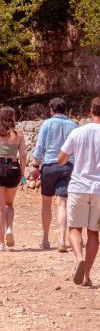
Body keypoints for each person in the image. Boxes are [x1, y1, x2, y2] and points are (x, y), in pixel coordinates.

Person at [58, 95, 100, 286]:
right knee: (93, 232)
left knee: (74, 228)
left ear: (90, 111)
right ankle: (87, 276)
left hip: (78, 186)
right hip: (99, 188)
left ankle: (79, 259)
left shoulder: (78, 132)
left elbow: (61, 158)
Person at [31, 97, 79, 252]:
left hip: (50, 166)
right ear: (65, 110)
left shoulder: (47, 124)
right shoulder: (74, 125)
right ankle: (62, 240)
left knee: (46, 203)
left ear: (51, 110)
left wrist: (36, 166)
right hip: (67, 166)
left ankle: (45, 239)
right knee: (62, 203)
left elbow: (40, 147)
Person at [0, 106, 26, 251]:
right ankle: (9, 228)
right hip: (13, 169)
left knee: (0, 207)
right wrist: (22, 175)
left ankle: (1, 243)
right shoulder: (19, 134)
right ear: (13, 117)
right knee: (9, 204)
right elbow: (22, 156)